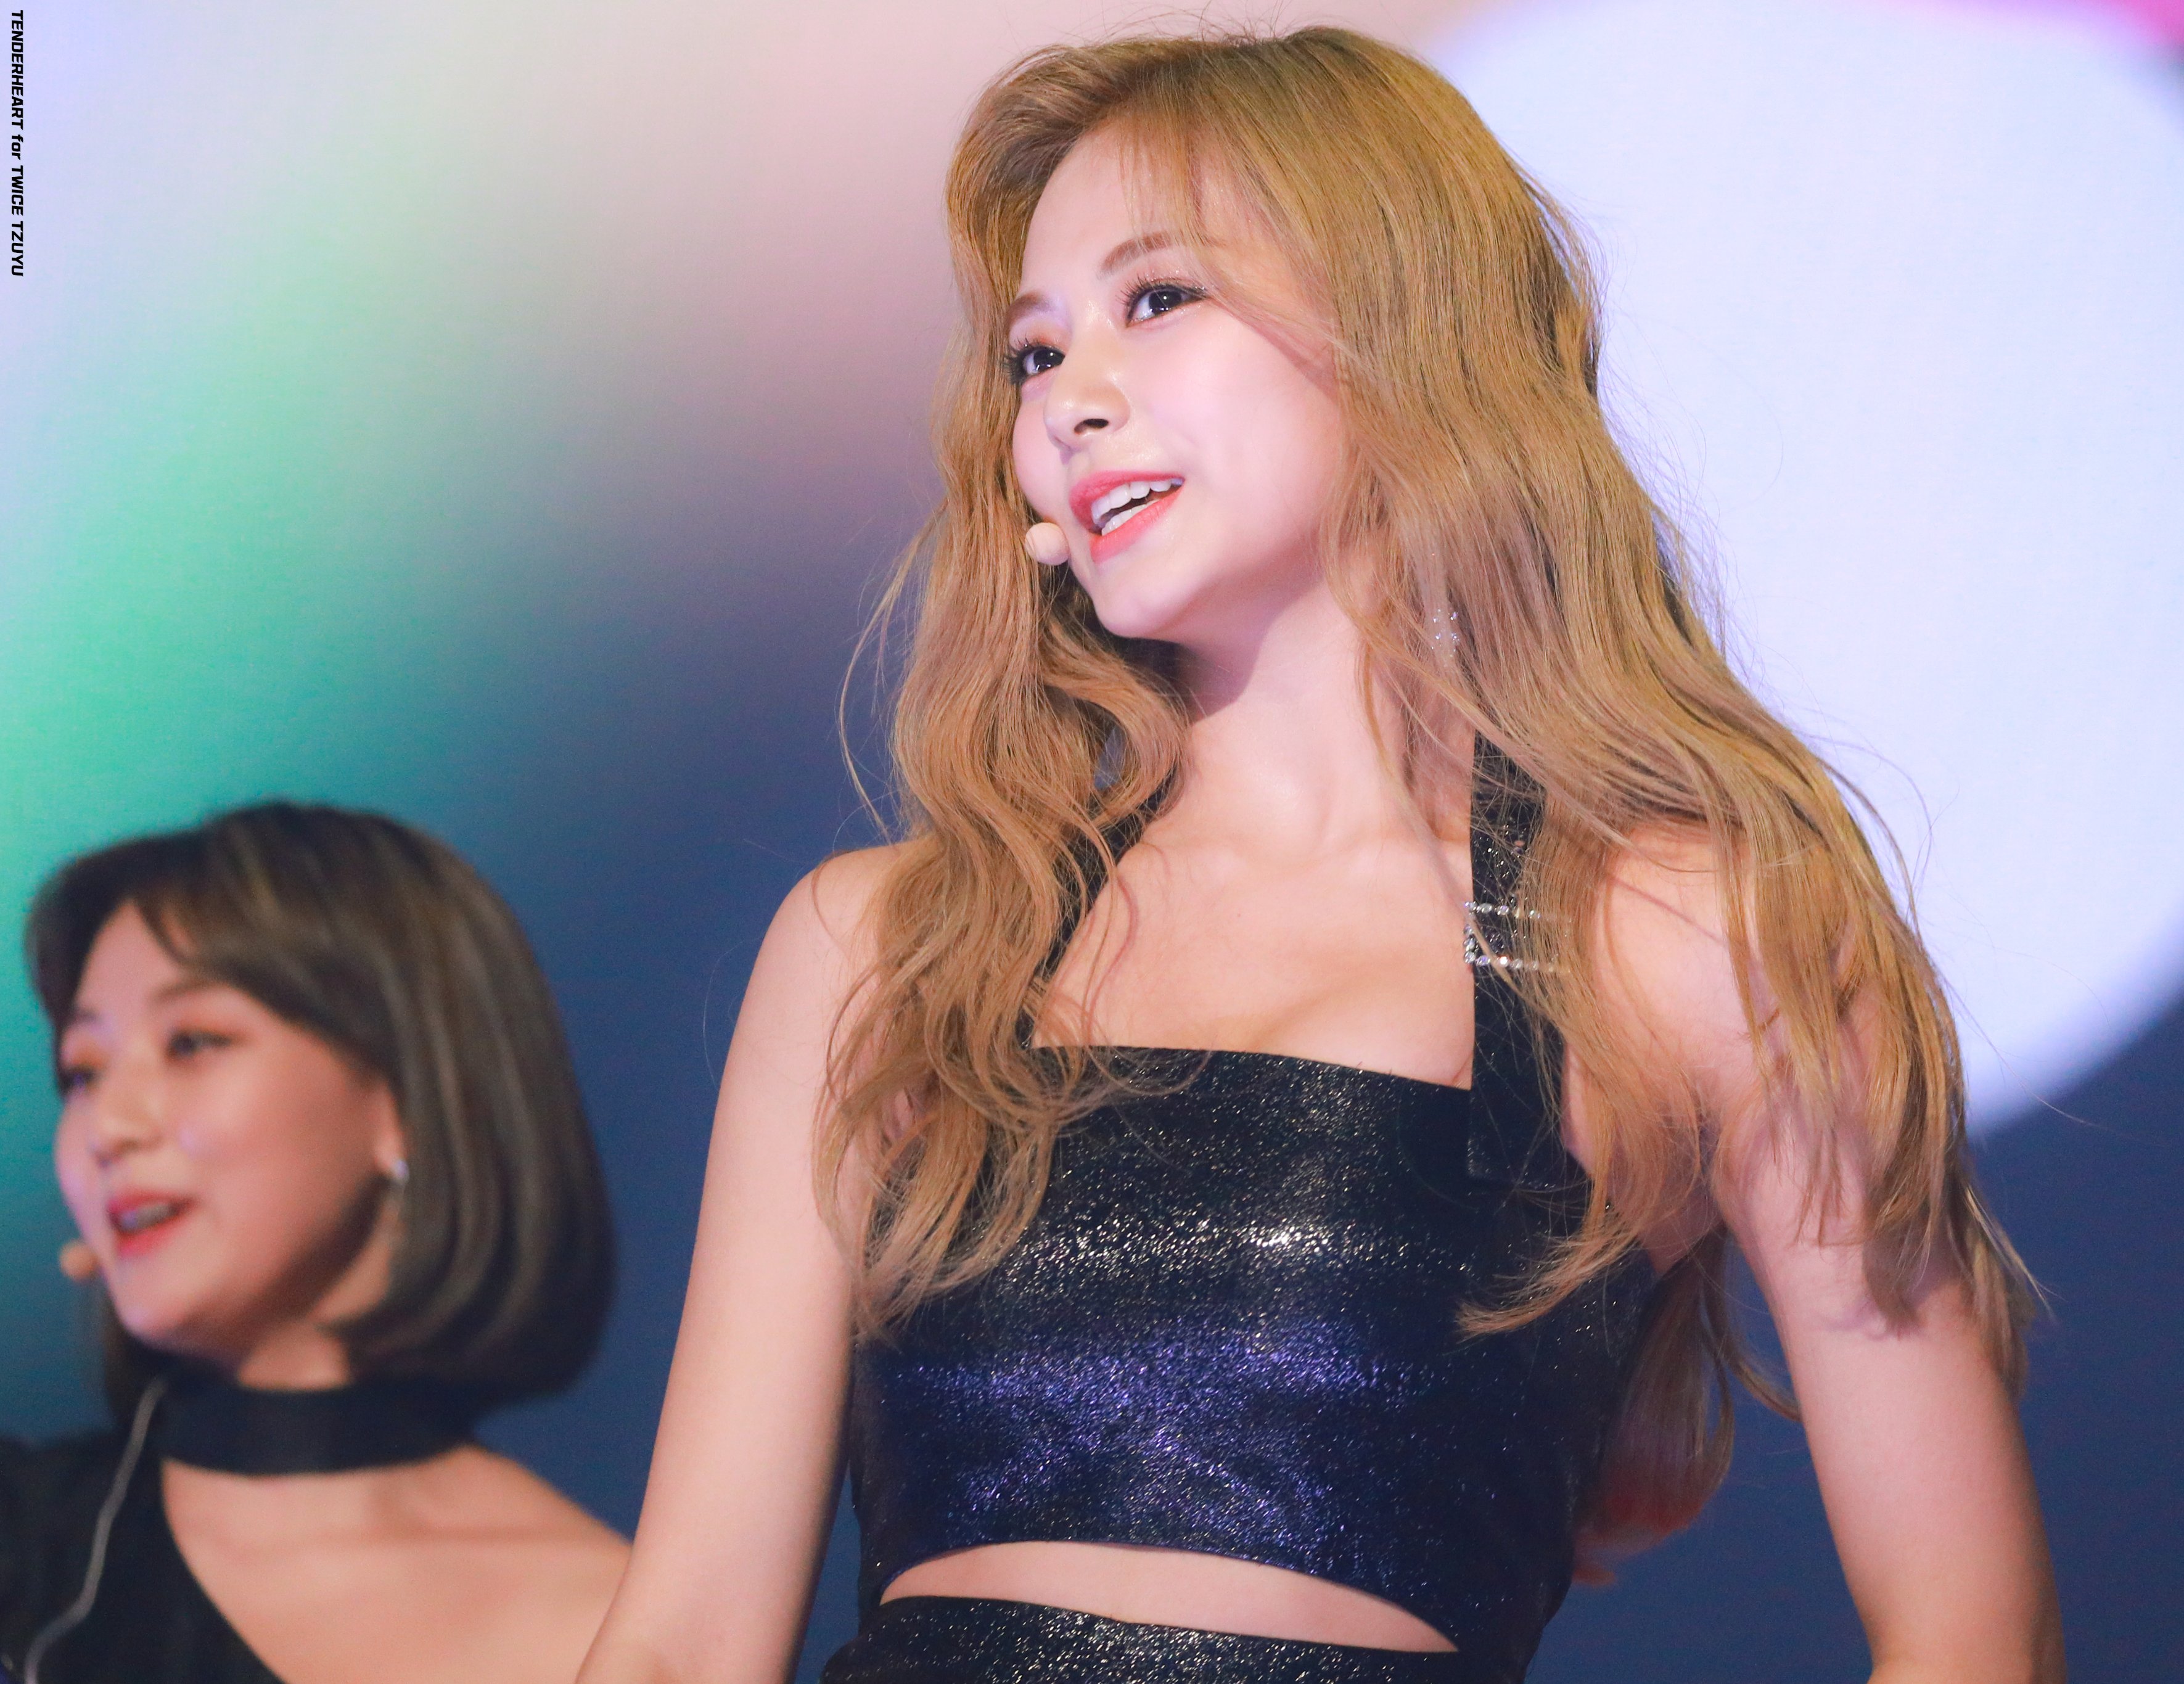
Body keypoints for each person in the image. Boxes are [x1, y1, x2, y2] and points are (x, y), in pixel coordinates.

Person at [582, 27, 2061, 1684]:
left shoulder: (1683, 930)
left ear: (1400, 321)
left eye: (1157, 298)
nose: (1067, 398)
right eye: (1032, 352)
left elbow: (1972, 1629)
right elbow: (682, 1640)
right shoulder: (893, 949)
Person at [0, 803, 626, 1684]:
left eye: (192, 1042)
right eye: (82, 1072)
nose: (109, 1125)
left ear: (406, 1100)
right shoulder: (33, 1548)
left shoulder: (624, 1628)